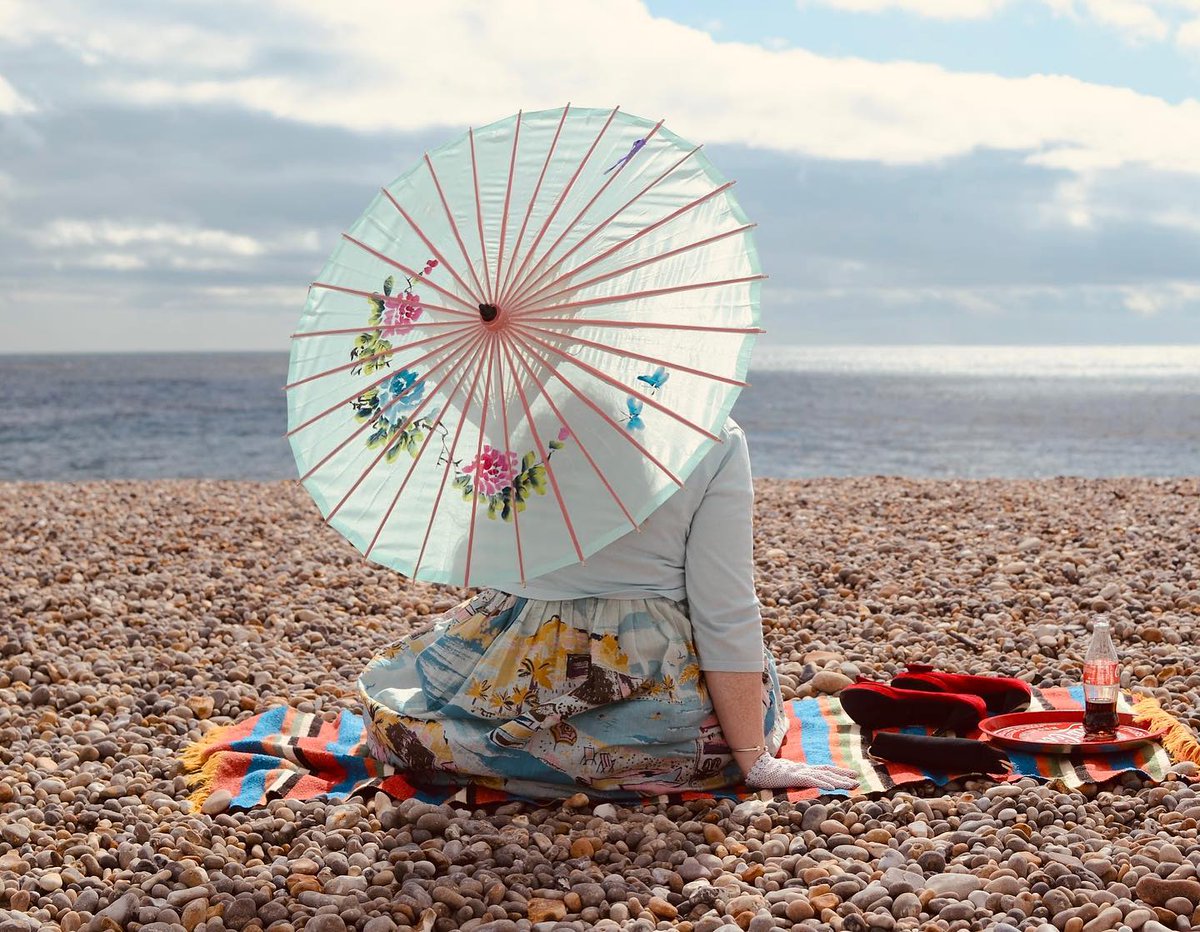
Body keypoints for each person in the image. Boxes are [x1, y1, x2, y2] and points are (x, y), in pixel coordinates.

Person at [357, 418, 858, 798]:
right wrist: (753, 759)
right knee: (724, 715)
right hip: (655, 667)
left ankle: (496, 753)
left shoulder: (507, 418)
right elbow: (723, 607)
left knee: (411, 713)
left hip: (517, 651)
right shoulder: (708, 433)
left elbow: (479, 554)